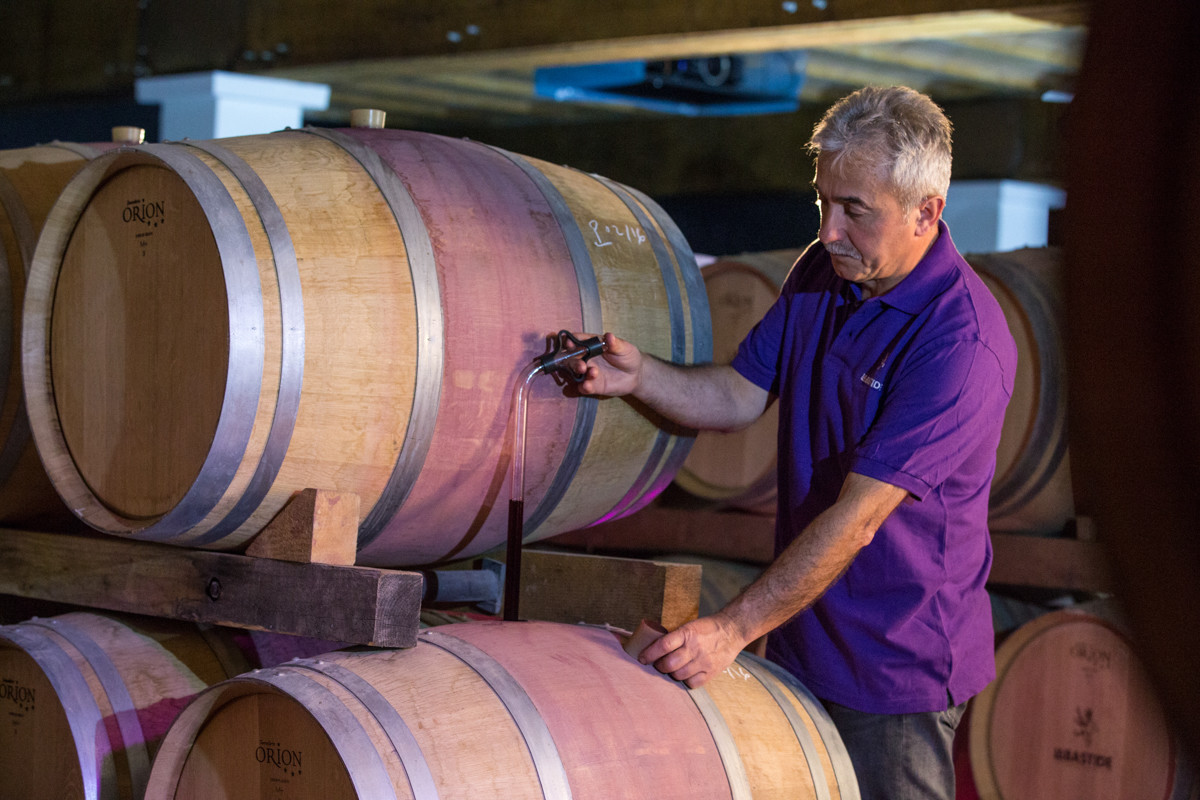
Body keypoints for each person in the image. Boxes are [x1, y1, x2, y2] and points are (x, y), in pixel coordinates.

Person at [572, 85, 1016, 800]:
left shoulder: (960, 339)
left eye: (855, 211)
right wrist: (640, 376)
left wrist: (730, 630)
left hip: (894, 663)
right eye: (823, 203)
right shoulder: (822, 272)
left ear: (926, 213)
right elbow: (737, 397)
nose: (830, 229)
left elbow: (858, 519)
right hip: (804, 631)